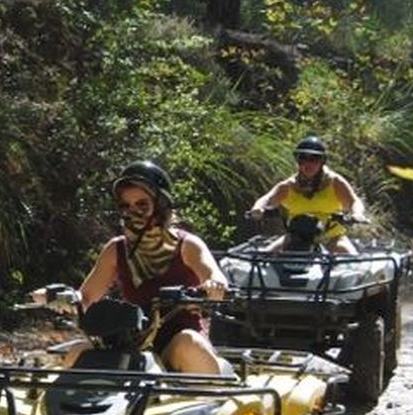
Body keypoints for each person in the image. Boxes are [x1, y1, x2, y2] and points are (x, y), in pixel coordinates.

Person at [77, 160, 229, 374]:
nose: (133, 212)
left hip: (178, 341)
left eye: (142, 204)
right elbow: (85, 298)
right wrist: (58, 298)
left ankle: (212, 399)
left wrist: (214, 285)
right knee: (77, 352)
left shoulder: (187, 245)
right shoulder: (116, 249)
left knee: (189, 344)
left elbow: (214, 276)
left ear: (160, 205)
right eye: (126, 205)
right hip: (131, 344)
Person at [248, 136, 368, 254]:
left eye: (314, 159)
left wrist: (357, 214)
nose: (308, 164)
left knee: (354, 263)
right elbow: (267, 198)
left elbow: (354, 201)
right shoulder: (289, 186)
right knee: (262, 258)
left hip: (331, 239)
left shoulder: (334, 182)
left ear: (322, 161)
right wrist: (258, 209)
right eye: (303, 158)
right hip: (295, 239)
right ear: (298, 161)